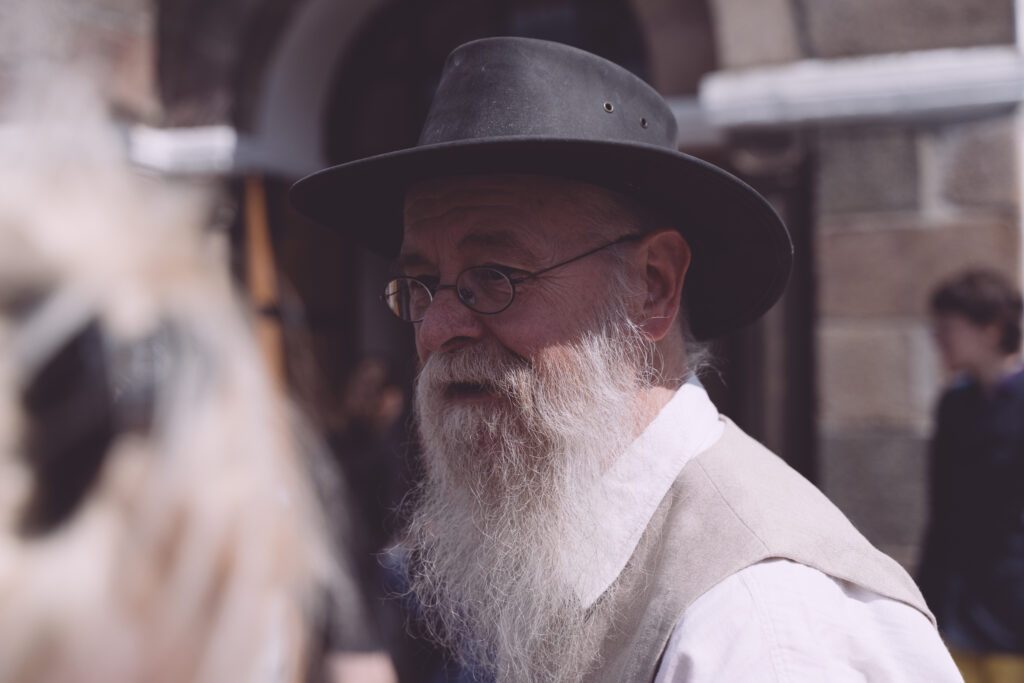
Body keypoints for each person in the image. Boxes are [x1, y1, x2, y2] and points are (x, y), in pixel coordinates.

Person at [292, 37, 961, 682]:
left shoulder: (760, 622)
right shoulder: (547, 551)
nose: (438, 326)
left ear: (653, 286)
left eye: (494, 274)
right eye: (421, 283)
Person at [920, 269, 1024, 682]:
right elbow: (942, 508)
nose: (938, 337)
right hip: (957, 606)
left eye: (949, 327)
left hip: (1013, 613)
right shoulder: (955, 404)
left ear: (992, 329)